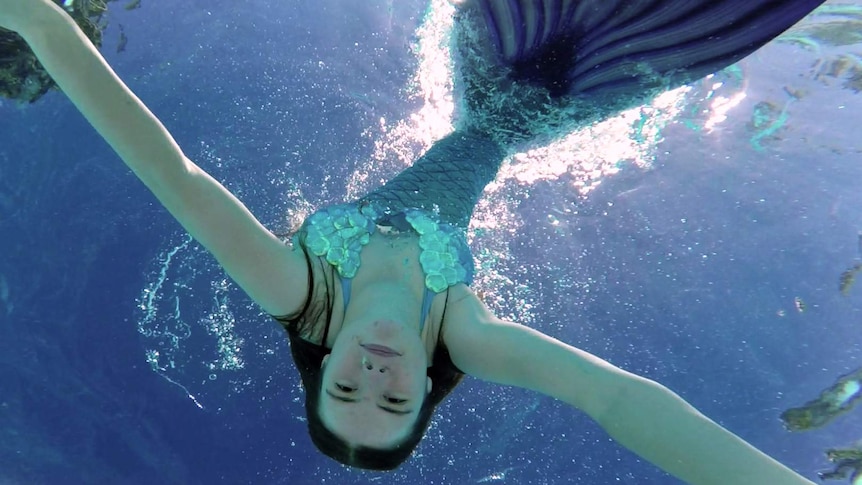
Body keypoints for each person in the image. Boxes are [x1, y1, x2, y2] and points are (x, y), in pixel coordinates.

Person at [1, 0, 825, 482]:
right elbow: (610, 398)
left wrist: (38, 21)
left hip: (488, 72)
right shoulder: (460, 334)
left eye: (347, 391)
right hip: (548, 110)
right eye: (396, 400)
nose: (375, 377)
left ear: (321, 368)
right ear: (423, 388)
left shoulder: (295, 288)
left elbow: (174, 176)